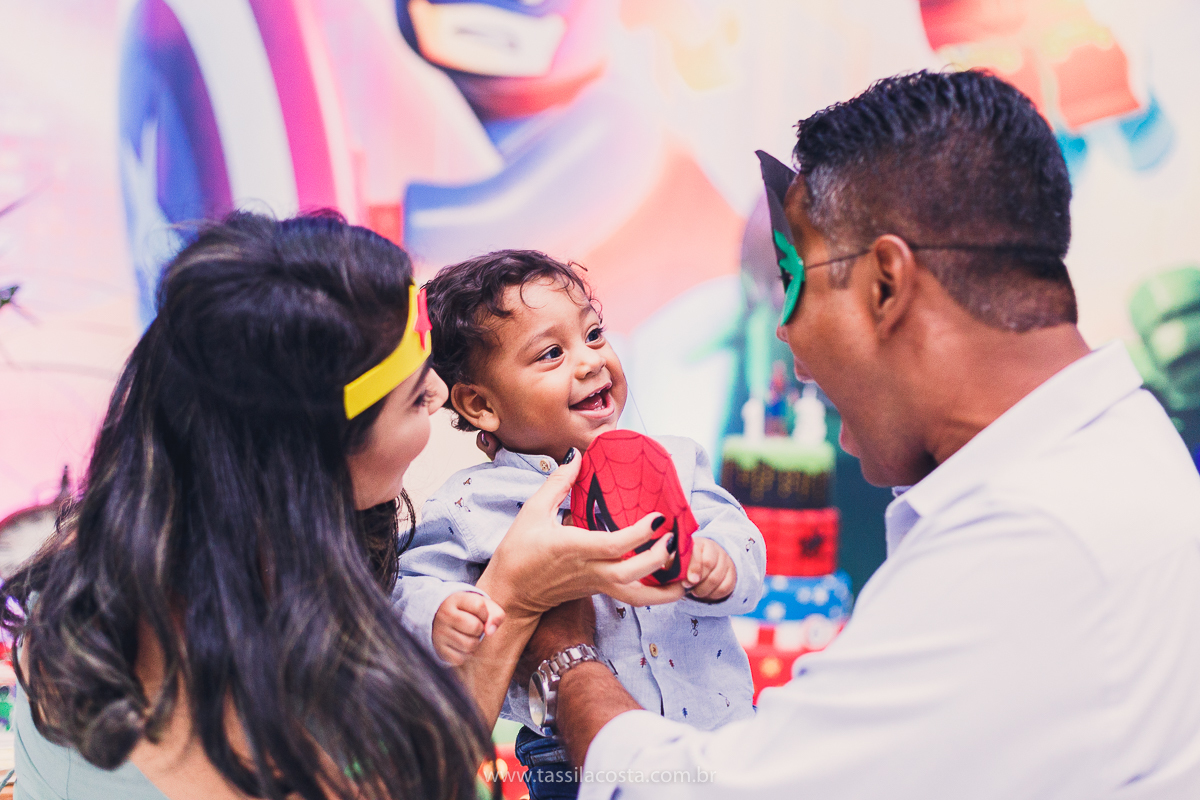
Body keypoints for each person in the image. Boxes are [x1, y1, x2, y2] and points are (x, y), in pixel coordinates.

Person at [513, 70, 1200, 799]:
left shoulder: (1030, 538)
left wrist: (566, 653)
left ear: (884, 284)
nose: (785, 333)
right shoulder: (1111, 451)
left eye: (793, 280)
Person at [0, 212, 677, 800]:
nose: (442, 402)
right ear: (313, 455)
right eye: (417, 399)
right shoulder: (144, 658)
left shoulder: (197, 551)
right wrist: (517, 599)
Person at [393, 251, 766, 799]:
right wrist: (440, 612)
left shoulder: (676, 461)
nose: (591, 361)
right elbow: (408, 587)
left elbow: (740, 535)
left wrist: (719, 563)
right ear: (480, 404)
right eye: (551, 353)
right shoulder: (473, 501)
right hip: (567, 757)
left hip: (716, 730)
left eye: (593, 334)